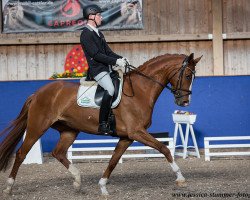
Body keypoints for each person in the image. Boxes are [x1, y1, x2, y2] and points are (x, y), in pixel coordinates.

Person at [80, 4, 129, 135]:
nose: (101, 17)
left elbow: (108, 52)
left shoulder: (98, 33)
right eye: (99, 15)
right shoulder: (86, 34)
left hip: (108, 69)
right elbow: (96, 55)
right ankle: (102, 124)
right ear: (91, 17)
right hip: (97, 70)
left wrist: (121, 59)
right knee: (110, 89)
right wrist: (115, 61)